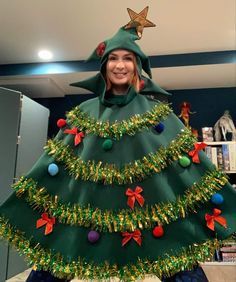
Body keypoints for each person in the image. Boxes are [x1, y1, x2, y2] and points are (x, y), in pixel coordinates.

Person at [1, 7, 236, 282]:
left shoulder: (158, 113)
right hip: (87, 213)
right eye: (113, 58)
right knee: (53, 266)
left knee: (182, 269)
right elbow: (57, 162)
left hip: (152, 216)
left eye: (127, 58)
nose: (120, 65)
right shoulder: (84, 113)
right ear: (104, 66)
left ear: (137, 66)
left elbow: (188, 162)